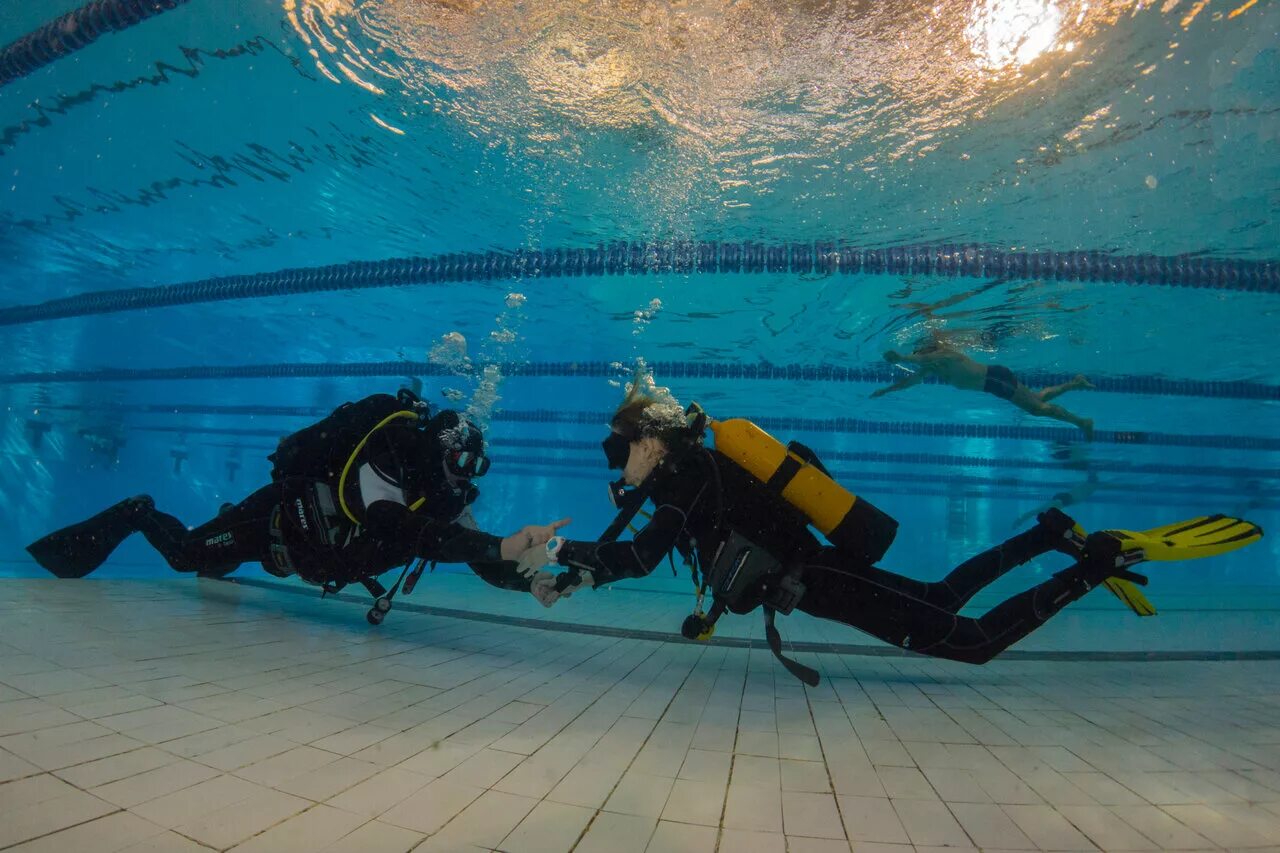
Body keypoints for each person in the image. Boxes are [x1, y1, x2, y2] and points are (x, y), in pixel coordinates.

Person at [514, 379, 1261, 683]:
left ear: (648, 440)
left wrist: (552, 548)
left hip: (818, 579)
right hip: (820, 572)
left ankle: (1093, 562)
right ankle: (1048, 534)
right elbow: (646, 551)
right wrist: (576, 576)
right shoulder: (697, 473)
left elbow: (640, 557)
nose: (620, 472)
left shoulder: (683, 476)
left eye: (621, 452)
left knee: (971, 645)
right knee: (940, 593)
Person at [28, 388, 570, 610]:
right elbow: (399, 528)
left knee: (215, 563)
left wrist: (531, 577)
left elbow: (475, 553)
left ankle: (224, 535)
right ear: (436, 454)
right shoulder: (384, 462)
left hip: (299, 555)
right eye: (457, 468)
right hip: (274, 523)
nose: (460, 483)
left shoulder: (443, 497)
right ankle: (138, 511)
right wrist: (502, 544)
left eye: (470, 473)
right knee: (186, 557)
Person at [870, 333, 1095, 439]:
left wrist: (901, 357)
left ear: (928, 350)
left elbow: (916, 360)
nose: (918, 354)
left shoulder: (945, 355)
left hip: (994, 379)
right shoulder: (933, 367)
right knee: (1037, 400)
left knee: (1036, 409)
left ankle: (1082, 422)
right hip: (994, 381)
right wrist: (886, 390)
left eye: (919, 351)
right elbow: (910, 381)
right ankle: (1075, 383)